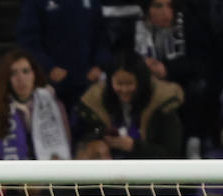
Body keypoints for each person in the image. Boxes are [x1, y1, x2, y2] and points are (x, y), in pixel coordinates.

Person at [133, 0, 217, 157]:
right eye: (158, 6)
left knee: (199, 87)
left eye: (170, 6)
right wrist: (143, 66)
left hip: (180, 82)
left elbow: (200, 62)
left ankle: (194, 143)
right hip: (145, 82)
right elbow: (126, 60)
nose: (166, 12)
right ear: (147, 9)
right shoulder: (137, 27)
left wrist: (167, 69)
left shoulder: (189, 23)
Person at [77, 50, 184, 159]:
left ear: (141, 82)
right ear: (110, 81)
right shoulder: (95, 103)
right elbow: (82, 140)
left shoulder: (163, 104)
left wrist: (134, 146)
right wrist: (98, 144)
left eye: (129, 83)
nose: (124, 89)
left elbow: (171, 153)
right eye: (119, 83)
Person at [0, 49, 72, 160]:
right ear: (7, 78)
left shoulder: (54, 105)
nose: (21, 79)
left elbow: (65, 145)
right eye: (13, 73)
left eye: (26, 71)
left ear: (34, 74)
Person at [15, 0, 112, 110]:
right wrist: (48, 68)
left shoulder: (92, 3)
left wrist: (99, 65)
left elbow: (103, 38)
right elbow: (28, 42)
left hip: (87, 82)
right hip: (51, 85)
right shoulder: (35, 3)